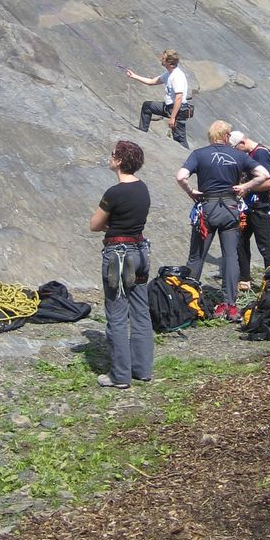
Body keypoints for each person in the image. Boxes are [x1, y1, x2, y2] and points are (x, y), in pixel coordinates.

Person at [176, 121, 270, 321]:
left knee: (197, 256)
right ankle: (230, 304)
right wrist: (246, 186)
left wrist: (191, 191)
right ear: (227, 136)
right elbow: (265, 175)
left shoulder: (199, 154)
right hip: (230, 208)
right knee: (230, 256)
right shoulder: (240, 155)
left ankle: (188, 301)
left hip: (207, 208)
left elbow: (181, 176)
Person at [89, 140, 153, 389]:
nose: (110, 157)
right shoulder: (143, 188)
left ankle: (120, 375)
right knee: (140, 311)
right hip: (140, 252)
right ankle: (143, 369)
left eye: (112, 154)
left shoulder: (114, 193)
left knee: (117, 313)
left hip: (118, 255)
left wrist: (111, 226)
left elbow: (95, 224)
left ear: (119, 160)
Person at [229, 130, 270, 292]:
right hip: (248, 207)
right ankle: (244, 278)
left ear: (242, 142)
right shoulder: (250, 153)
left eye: (236, 149)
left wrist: (246, 188)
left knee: (264, 243)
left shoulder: (261, 155)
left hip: (260, 207)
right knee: (241, 241)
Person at [127, 49, 192, 148]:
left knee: (180, 140)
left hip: (178, 110)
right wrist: (134, 76)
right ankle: (142, 134)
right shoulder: (168, 74)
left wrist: (173, 118)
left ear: (169, 63)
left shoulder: (177, 76)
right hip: (168, 107)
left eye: (163, 58)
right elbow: (152, 81)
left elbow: (179, 98)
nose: (161, 59)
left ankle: (188, 160)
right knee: (147, 106)